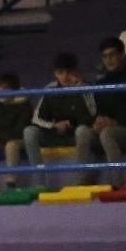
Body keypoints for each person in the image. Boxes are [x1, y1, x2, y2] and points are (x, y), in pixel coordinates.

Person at [81, 37, 126, 185]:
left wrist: (116, 122)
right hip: (109, 128)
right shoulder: (102, 83)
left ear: (122, 55)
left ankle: (117, 184)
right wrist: (97, 121)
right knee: (82, 132)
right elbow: (98, 110)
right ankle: (83, 183)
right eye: (105, 56)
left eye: (112, 55)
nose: (109, 60)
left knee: (108, 133)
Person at [22, 52, 96, 185]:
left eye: (68, 72)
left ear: (75, 72)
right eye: (60, 72)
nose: (65, 76)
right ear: (55, 73)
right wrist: (54, 125)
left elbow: (92, 113)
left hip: (76, 133)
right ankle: (40, 183)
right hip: (54, 133)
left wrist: (78, 88)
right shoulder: (50, 89)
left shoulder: (86, 88)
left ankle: (82, 181)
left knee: (83, 131)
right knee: (29, 132)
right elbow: (36, 118)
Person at [0, 73, 32, 189]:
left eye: (5, 88)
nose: (1, 91)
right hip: (0, 140)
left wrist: (0, 139)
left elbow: (20, 130)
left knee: (11, 145)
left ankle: (11, 182)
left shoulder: (24, 105)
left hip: (21, 140)